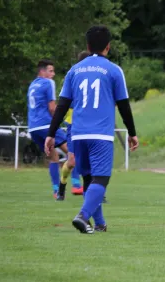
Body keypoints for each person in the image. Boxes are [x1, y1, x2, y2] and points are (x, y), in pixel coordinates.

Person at [45, 25, 139, 233]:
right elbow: (123, 105)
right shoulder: (114, 70)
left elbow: (61, 105)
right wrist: (132, 133)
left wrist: (51, 134)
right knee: (101, 179)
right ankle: (83, 216)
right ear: (108, 47)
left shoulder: (74, 70)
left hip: (77, 134)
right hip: (100, 135)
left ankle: (100, 224)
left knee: (89, 178)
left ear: (87, 46)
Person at [26, 58, 69, 199]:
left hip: (33, 128)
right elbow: (52, 108)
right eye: (51, 71)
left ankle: (56, 191)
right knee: (73, 152)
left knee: (53, 158)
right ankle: (80, 184)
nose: (53, 74)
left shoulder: (32, 85)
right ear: (42, 71)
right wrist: (61, 119)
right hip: (46, 125)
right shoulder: (48, 83)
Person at [56, 51, 89, 201]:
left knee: (93, 160)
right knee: (72, 162)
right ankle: (62, 186)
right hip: (73, 126)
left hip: (90, 125)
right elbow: (63, 103)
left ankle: (95, 194)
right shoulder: (72, 77)